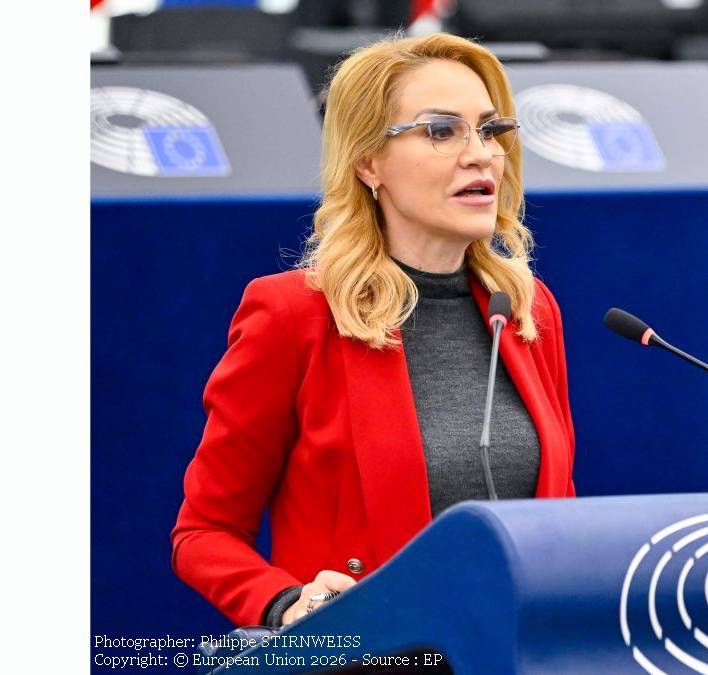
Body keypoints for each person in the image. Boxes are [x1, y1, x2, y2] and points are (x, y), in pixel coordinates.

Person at [171, 32, 576, 629]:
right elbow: (204, 532)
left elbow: (558, 513)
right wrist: (287, 603)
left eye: (490, 130)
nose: (480, 155)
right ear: (368, 162)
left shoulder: (525, 309)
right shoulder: (293, 314)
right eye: (442, 131)